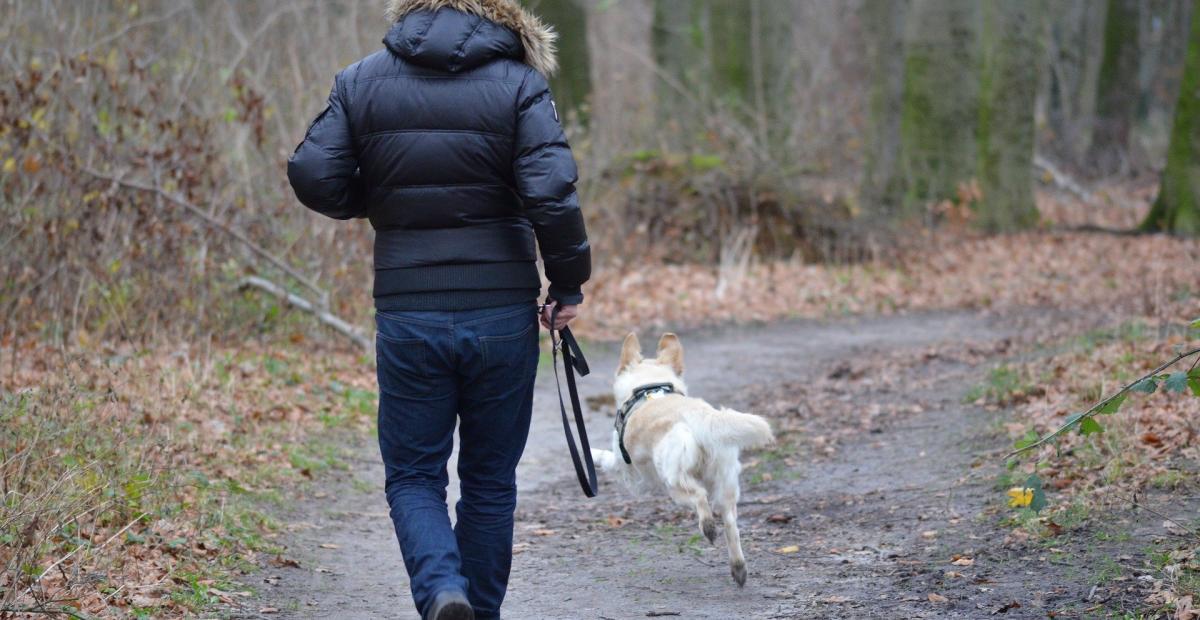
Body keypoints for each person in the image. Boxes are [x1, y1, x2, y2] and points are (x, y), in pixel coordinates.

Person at [287, 1, 590, 618]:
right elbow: (551, 192)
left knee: (415, 475)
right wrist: (568, 282)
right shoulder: (521, 84)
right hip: (501, 310)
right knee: (489, 481)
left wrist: (384, 204)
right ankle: (474, 609)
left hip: (408, 309)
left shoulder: (362, 79)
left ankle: (442, 594)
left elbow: (313, 172)